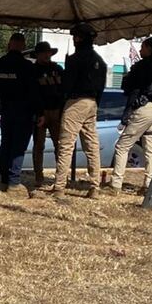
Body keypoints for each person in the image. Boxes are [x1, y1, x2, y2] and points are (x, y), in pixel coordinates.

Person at [107, 37, 152, 194]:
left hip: (145, 108)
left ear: (149, 49)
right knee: (151, 148)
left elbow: (129, 86)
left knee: (122, 146)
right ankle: (149, 185)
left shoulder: (143, 66)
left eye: (143, 47)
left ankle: (115, 185)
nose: (140, 50)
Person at [47, 23, 108, 200]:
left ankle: (59, 187)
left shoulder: (75, 59)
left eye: (76, 37)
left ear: (80, 38)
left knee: (66, 145)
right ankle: (95, 186)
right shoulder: (99, 61)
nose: (74, 40)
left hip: (76, 103)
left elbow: (67, 85)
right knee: (92, 146)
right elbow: (101, 87)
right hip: (92, 103)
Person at [0, 33, 37, 196]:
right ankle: (14, 182)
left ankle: (5, 178)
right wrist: (38, 111)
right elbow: (34, 92)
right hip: (24, 111)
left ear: (9, 45)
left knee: (6, 144)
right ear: (22, 46)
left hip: (6, 110)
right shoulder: (27, 66)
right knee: (18, 147)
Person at [27, 41, 65, 188]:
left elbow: (63, 90)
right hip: (40, 112)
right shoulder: (33, 70)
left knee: (60, 145)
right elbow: (32, 93)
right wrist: (38, 111)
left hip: (56, 111)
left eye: (48, 52)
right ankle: (39, 177)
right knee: (38, 146)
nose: (46, 55)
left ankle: (60, 177)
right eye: (43, 53)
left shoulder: (58, 69)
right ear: (37, 55)